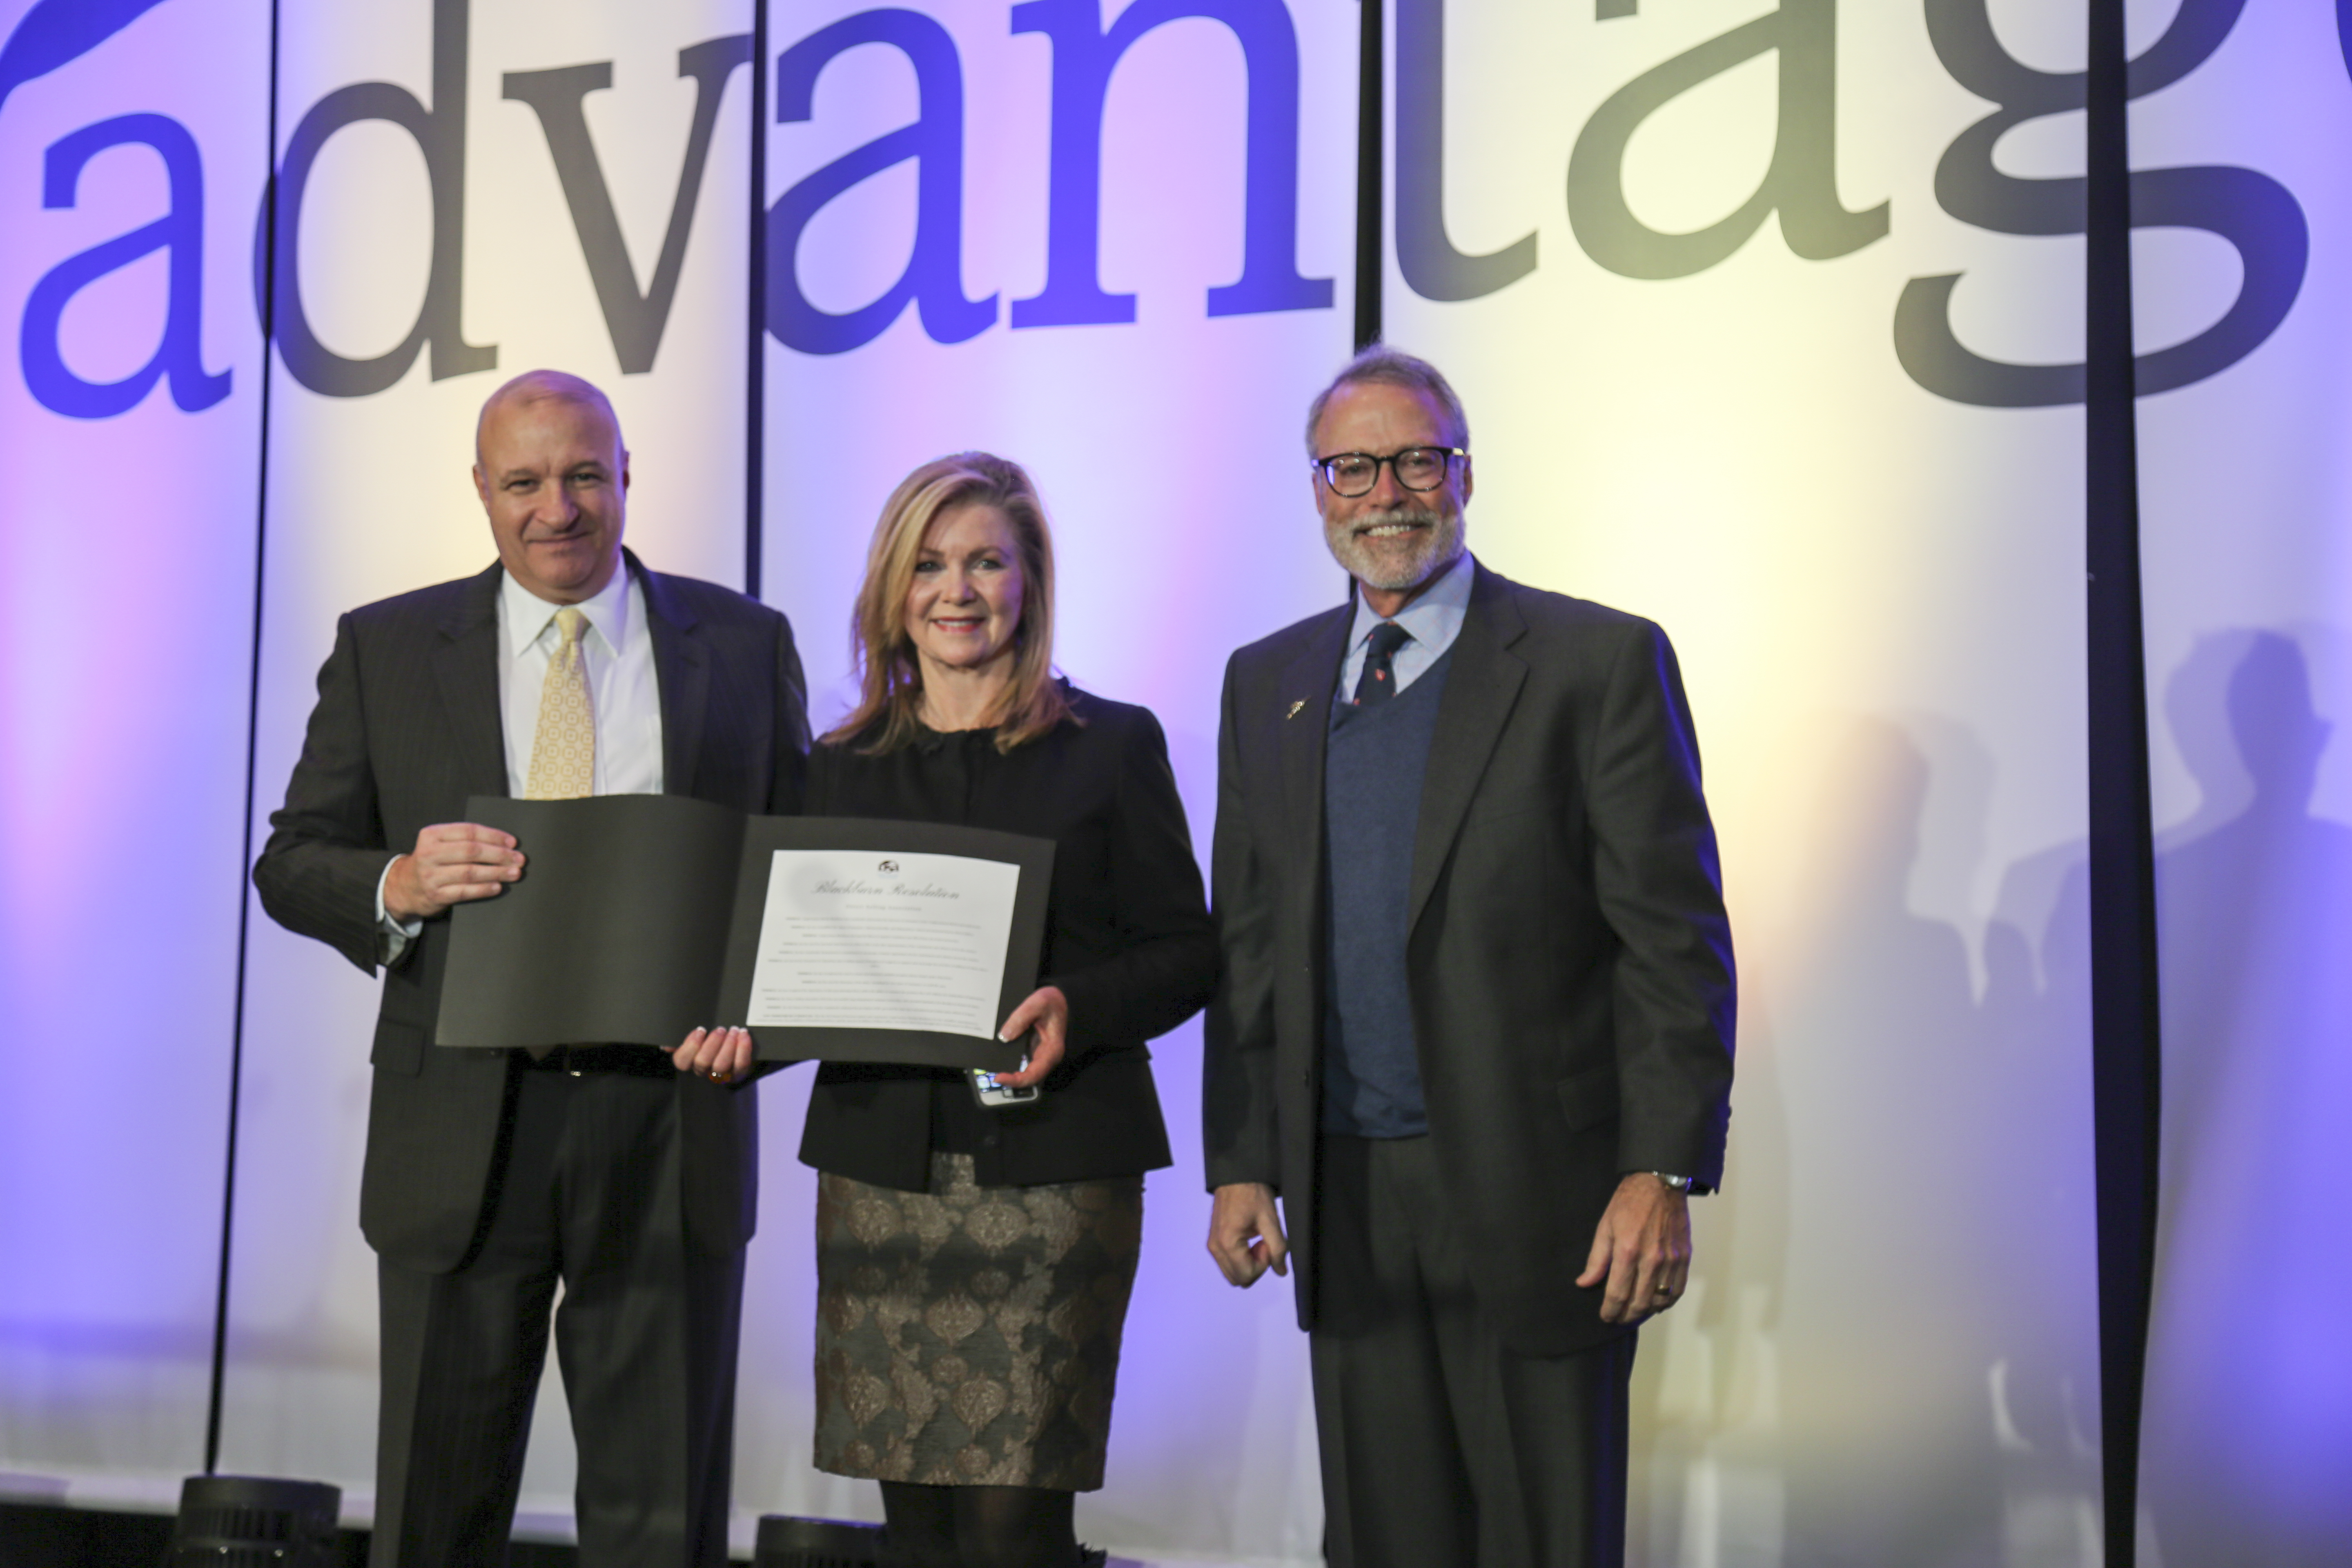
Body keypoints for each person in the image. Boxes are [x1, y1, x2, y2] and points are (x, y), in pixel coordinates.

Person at [252, 370, 809, 1567]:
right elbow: (292, 862)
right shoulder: (388, 648)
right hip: (464, 1128)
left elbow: (798, 877)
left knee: (661, 1530)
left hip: (671, 1128)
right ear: (481, 492)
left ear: (624, 478)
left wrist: (759, 1022)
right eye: (524, 482)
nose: (557, 507)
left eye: (583, 475)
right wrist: (395, 883)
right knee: (435, 1522)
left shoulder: (745, 645)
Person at [1200, 345, 1736, 1568]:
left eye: (1417, 460)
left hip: (1545, 1196)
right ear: (1318, 488)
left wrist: (1662, 1167)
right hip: (1346, 1196)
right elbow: (1250, 944)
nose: (1387, 491)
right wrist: (1242, 1160)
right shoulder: (1266, 682)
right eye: (1353, 467)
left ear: (1466, 474)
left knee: (1544, 1542)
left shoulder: (1593, 664)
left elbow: (1673, 943)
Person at [677, 453, 1216, 1568]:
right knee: (916, 1532)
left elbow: (1189, 952)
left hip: (1057, 1185)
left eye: (985, 563)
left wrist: (1080, 1003)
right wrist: (741, 1042)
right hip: (883, 1187)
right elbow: (804, 975)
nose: (957, 591)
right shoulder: (835, 768)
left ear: (1030, 582)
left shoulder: (1113, 746)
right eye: (929, 565)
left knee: (1016, 1531)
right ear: (891, 589)